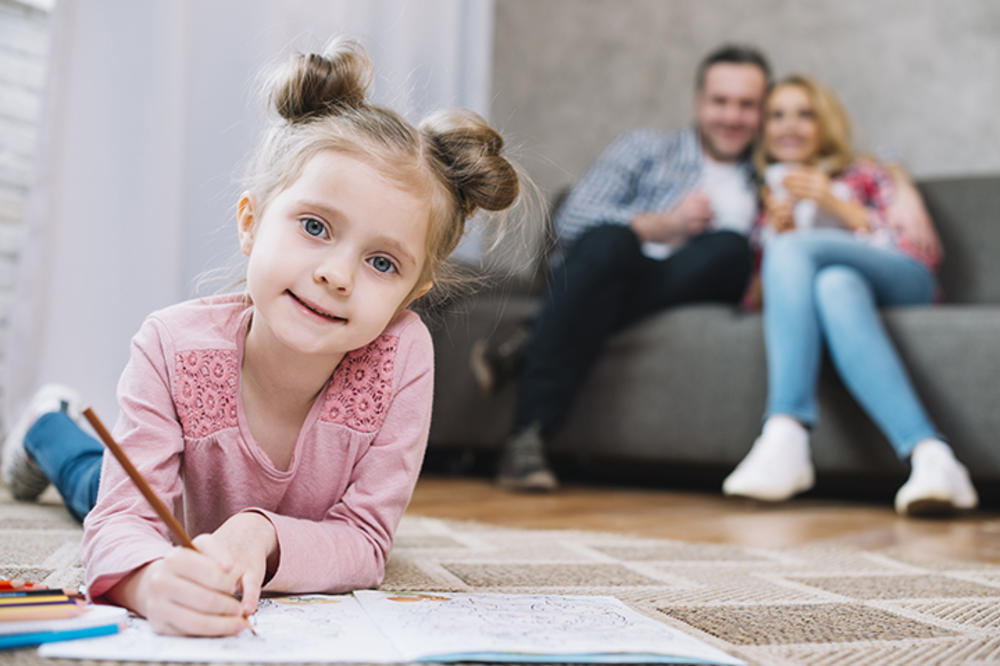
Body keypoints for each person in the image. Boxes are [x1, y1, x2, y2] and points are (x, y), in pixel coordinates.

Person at [0, 39, 522, 635]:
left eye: (383, 263)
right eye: (315, 227)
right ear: (250, 222)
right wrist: (148, 582)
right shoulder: (170, 345)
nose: (336, 274)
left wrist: (260, 533)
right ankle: (47, 427)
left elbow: (368, 541)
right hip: (174, 497)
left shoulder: (403, 354)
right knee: (93, 484)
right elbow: (123, 520)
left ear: (413, 293)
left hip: (268, 534)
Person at [493, 45, 770, 491]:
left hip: (691, 281)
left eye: (747, 105)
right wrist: (665, 225)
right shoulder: (646, 149)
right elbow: (572, 219)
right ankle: (526, 439)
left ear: (762, 112)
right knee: (611, 240)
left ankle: (535, 336)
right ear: (700, 102)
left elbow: (848, 175)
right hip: (607, 271)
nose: (732, 116)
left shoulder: (769, 176)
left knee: (729, 249)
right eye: (721, 101)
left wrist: (893, 181)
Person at [721, 75, 978, 516]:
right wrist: (777, 235)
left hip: (904, 279)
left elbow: (916, 249)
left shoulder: (866, 174)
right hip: (848, 292)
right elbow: (763, 301)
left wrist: (837, 205)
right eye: (777, 115)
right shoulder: (768, 202)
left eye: (805, 114)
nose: (790, 126)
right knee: (834, 285)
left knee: (803, 256)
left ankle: (787, 427)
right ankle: (932, 457)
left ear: (826, 123)